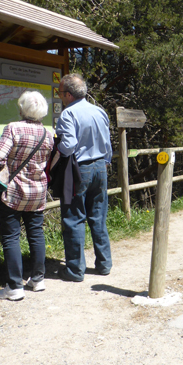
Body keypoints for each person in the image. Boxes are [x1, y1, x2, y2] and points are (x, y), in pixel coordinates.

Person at [0, 91, 54, 301]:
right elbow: (49, 163)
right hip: (38, 192)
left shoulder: (13, 128)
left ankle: (14, 286)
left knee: (10, 236)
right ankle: (37, 279)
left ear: (21, 108)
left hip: (14, 191)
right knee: (36, 233)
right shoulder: (47, 134)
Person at [55, 73, 113, 282]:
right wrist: (104, 162)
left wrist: (56, 149)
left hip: (79, 169)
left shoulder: (68, 114)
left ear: (68, 95)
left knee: (73, 218)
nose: (60, 96)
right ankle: (104, 264)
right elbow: (107, 143)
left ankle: (75, 270)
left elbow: (68, 145)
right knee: (98, 216)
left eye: (60, 93)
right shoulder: (99, 111)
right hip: (100, 167)